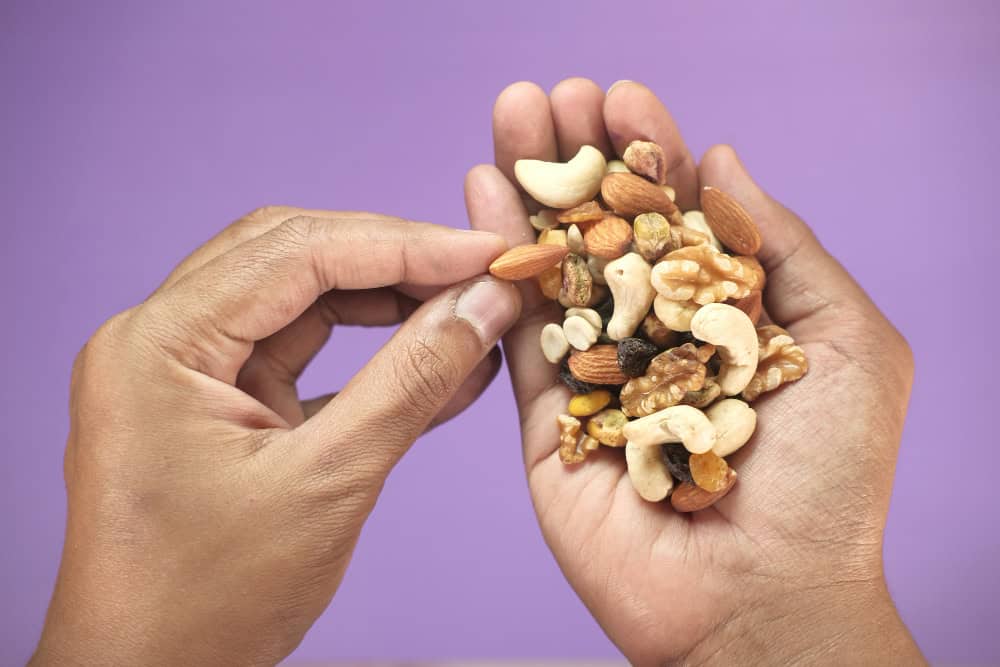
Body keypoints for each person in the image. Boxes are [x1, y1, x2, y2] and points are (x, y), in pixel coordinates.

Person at [29, 79, 926, 666]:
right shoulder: (617, 312)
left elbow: (656, 341)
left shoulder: (652, 325)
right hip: (638, 365)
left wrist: (777, 612)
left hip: (653, 374)